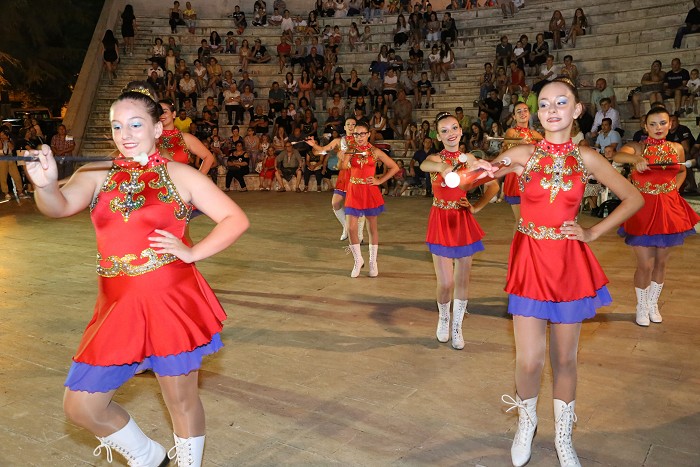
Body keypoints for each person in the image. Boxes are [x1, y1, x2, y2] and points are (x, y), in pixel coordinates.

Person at [24, 81, 249, 467]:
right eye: (116, 126)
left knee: (180, 400)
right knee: (81, 406)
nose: (124, 135)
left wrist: (192, 252)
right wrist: (44, 186)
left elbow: (235, 219)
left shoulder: (180, 174)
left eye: (135, 125)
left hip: (169, 301)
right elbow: (58, 206)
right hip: (116, 306)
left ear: (157, 128)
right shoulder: (97, 172)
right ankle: (148, 456)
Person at [472, 79, 643, 467]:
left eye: (561, 102)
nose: (552, 109)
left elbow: (633, 197)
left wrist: (592, 232)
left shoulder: (587, 158)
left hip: (568, 263)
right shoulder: (523, 153)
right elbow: (484, 176)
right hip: (530, 260)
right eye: (545, 103)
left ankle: (564, 436)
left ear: (577, 110)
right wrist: (477, 168)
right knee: (529, 360)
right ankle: (526, 423)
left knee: (565, 359)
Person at [613, 107, 700, 326]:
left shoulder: (677, 148)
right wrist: (636, 159)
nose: (658, 128)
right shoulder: (638, 147)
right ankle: (641, 306)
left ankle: (653, 304)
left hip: (669, 209)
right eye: (652, 124)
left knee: (661, 263)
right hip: (642, 210)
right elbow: (617, 155)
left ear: (670, 124)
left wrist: (674, 190)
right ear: (645, 126)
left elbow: (682, 170)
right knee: (645, 265)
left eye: (662, 123)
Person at [419, 112, 499, 349]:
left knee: (462, 280)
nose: (451, 133)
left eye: (454, 128)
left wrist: (476, 207)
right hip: (440, 220)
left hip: (462, 221)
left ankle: (457, 326)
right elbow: (424, 165)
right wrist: (443, 166)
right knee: (445, 283)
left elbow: (493, 186)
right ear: (438, 136)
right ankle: (444, 318)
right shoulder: (434, 158)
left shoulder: (470, 160)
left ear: (461, 131)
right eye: (444, 130)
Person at [343, 121, 399, 277]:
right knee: (351, 228)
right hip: (354, 189)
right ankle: (358, 260)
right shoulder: (351, 150)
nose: (359, 137)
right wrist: (346, 156)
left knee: (372, 228)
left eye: (362, 134)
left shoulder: (375, 151)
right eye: (356, 134)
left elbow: (394, 167)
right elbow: (343, 166)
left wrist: (380, 180)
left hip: (369, 190)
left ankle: (373, 262)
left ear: (368, 134)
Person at [500, 102, 543, 220]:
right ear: (514, 116)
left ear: (529, 114)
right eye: (518, 112)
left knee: (531, 220)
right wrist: (519, 141)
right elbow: (508, 141)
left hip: (532, 178)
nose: (522, 113)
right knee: (521, 221)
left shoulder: (535, 134)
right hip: (516, 179)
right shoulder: (511, 132)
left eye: (525, 110)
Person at [158, 100, 214, 174]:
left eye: (165, 112)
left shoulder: (185, 138)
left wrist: (197, 178)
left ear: (174, 114)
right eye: (158, 112)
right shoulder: (150, 138)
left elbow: (209, 157)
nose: (161, 115)